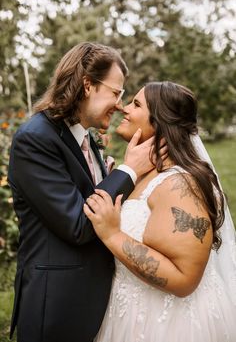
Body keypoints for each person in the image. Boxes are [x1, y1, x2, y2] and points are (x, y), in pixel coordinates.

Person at [7, 42, 158, 342]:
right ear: (87, 85)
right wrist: (128, 171)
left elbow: (88, 195)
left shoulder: (83, 137)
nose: (120, 104)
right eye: (116, 93)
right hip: (58, 308)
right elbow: (78, 223)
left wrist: (107, 177)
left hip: (90, 302)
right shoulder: (35, 139)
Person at [84, 81, 236, 342]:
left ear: (160, 122)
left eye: (136, 104)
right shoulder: (143, 173)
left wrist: (112, 235)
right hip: (129, 312)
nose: (124, 108)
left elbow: (184, 279)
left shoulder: (180, 185)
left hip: (169, 325)